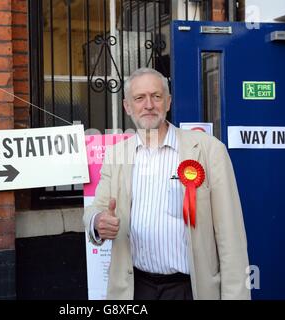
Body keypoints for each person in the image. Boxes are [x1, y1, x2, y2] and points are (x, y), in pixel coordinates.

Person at [83, 67, 250, 300]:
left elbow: (231, 237)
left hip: (189, 289)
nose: (149, 104)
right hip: (134, 289)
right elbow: (95, 208)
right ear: (127, 106)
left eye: (156, 96)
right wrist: (97, 220)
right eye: (139, 98)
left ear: (168, 102)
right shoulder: (116, 155)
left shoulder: (208, 150)